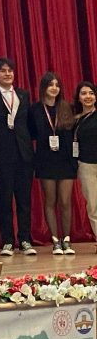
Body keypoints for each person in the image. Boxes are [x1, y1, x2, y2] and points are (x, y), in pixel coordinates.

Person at [0, 58, 35, 256]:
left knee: (24, 200)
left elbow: (28, 124)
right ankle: (8, 241)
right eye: (3, 71)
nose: (7, 74)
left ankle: (25, 239)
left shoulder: (23, 94)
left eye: (10, 70)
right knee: (4, 200)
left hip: (24, 155)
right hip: (1, 155)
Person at [29, 72, 78, 254]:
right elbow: (31, 134)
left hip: (66, 161)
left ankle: (67, 239)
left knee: (65, 201)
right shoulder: (34, 110)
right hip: (45, 160)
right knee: (50, 200)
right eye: (50, 85)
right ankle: (55, 240)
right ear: (44, 87)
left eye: (57, 85)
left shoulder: (67, 108)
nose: (54, 88)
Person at [74, 81, 97, 252]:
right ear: (78, 98)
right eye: (83, 93)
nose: (88, 96)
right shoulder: (75, 119)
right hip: (86, 165)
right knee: (93, 205)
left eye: (91, 93)